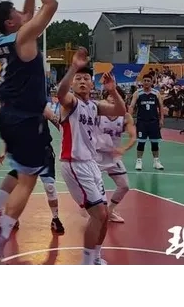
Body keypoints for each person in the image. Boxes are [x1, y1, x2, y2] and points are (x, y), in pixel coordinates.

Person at [0, 0, 58, 256]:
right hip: (27, 116)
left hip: (7, 114)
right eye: (15, 11)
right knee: (28, 180)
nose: (21, 12)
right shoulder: (23, 36)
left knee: (18, 169)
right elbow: (51, 5)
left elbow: (28, 14)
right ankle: (2, 233)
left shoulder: (2, 39)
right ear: (10, 22)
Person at [57, 47, 126, 266]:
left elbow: (121, 111)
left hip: (91, 164)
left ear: (92, 84)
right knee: (98, 214)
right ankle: (86, 263)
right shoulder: (71, 103)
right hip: (74, 164)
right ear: (73, 84)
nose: (82, 81)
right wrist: (73, 68)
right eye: (78, 79)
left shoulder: (94, 106)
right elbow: (61, 94)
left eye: (86, 78)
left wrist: (113, 90)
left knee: (104, 215)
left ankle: (95, 257)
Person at [0, 106, 65, 235]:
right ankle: (12, 217)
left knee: (49, 187)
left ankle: (55, 218)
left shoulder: (42, 107)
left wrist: (71, 134)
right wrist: (4, 151)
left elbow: (59, 124)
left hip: (44, 153)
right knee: (18, 187)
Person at [96, 86, 137, 223]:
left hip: (113, 156)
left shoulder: (125, 116)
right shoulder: (97, 112)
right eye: (110, 95)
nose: (113, 98)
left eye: (116, 96)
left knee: (124, 186)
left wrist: (123, 148)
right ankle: (94, 212)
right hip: (96, 155)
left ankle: (110, 210)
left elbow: (133, 137)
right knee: (95, 186)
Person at [129, 73, 165, 171]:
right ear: (142, 82)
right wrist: (130, 118)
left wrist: (161, 119)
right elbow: (131, 106)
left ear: (152, 82)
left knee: (155, 143)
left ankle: (156, 161)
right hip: (142, 122)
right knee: (141, 142)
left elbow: (161, 107)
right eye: (144, 80)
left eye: (148, 81)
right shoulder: (137, 93)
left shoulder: (156, 93)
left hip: (154, 122)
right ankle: (139, 161)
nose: (146, 82)